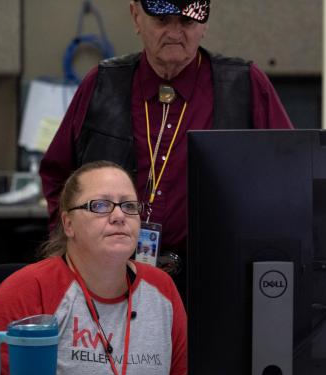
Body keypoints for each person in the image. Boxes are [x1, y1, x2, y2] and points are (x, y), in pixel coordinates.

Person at [39, 0, 293, 291]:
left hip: (218, 278)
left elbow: (288, 176)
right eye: (162, 21)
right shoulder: (101, 85)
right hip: (111, 274)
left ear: (204, 25)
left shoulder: (244, 85)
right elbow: (58, 175)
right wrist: (71, 247)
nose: (174, 32)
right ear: (136, 16)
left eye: (186, 23)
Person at [0, 161, 189, 375]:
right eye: (100, 205)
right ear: (68, 224)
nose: (119, 216)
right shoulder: (32, 286)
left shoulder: (162, 288)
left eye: (129, 206)